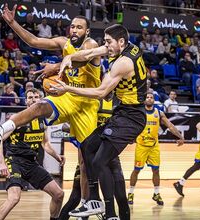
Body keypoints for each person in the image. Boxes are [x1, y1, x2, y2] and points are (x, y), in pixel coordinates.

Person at [0, 4, 101, 206]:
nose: (74, 30)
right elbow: (34, 40)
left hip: (86, 104)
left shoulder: (91, 45)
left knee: (84, 162)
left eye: (79, 27)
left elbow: (80, 61)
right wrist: (12, 23)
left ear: (87, 31)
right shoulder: (64, 43)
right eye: (72, 27)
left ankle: (85, 204)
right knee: (38, 106)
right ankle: (0, 132)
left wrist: (56, 65)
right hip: (67, 95)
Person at [52, 24, 147, 220]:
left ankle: (107, 210)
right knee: (87, 145)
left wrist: (67, 89)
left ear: (120, 42)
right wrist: (68, 57)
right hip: (122, 113)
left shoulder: (123, 62)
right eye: (106, 41)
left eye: (109, 42)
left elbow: (100, 93)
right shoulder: (123, 46)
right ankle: (94, 200)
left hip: (132, 117)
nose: (106, 46)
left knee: (100, 160)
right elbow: (91, 53)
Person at [0, 88, 65, 220]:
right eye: (30, 97)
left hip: (32, 163)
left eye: (36, 97)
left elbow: (45, 144)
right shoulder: (16, 119)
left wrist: (57, 156)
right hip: (14, 161)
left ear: (41, 100)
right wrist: (1, 163)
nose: (33, 100)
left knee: (59, 194)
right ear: (26, 100)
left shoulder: (42, 120)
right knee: (14, 198)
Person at [128, 93, 184, 206]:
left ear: (154, 100)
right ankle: (130, 193)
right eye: (147, 97)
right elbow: (131, 125)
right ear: (144, 100)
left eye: (151, 97)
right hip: (141, 146)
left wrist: (180, 136)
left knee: (156, 170)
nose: (149, 99)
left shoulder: (159, 113)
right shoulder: (139, 112)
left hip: (154, 146)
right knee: (137, 170)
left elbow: (170, 126)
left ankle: (156, 193)